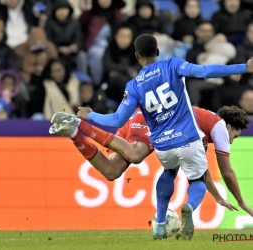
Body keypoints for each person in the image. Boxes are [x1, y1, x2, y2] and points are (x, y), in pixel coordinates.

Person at [51, 34, 253, 240]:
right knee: (195, 178)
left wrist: (91, 114)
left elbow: (116, 120)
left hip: (163, 145)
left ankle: (159, 223)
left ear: (137, 56)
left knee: (154, 171)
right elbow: (204, 71)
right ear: (157, 52)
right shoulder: (173, 65)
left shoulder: (134, 85)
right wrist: (243, 68)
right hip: (186, 136)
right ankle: (189, 207)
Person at [49, 106, 252, 216]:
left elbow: (201, 172)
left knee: (111, 171)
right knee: (136, 155)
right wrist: (241, 201)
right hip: (150, 121)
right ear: (230, 126)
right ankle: (81, 125)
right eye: (236, 135)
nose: (232, 141)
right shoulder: (219, 127)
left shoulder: (201, 128)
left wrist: (217, 197)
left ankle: (74, 133)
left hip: (140, 120)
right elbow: (227, 172)